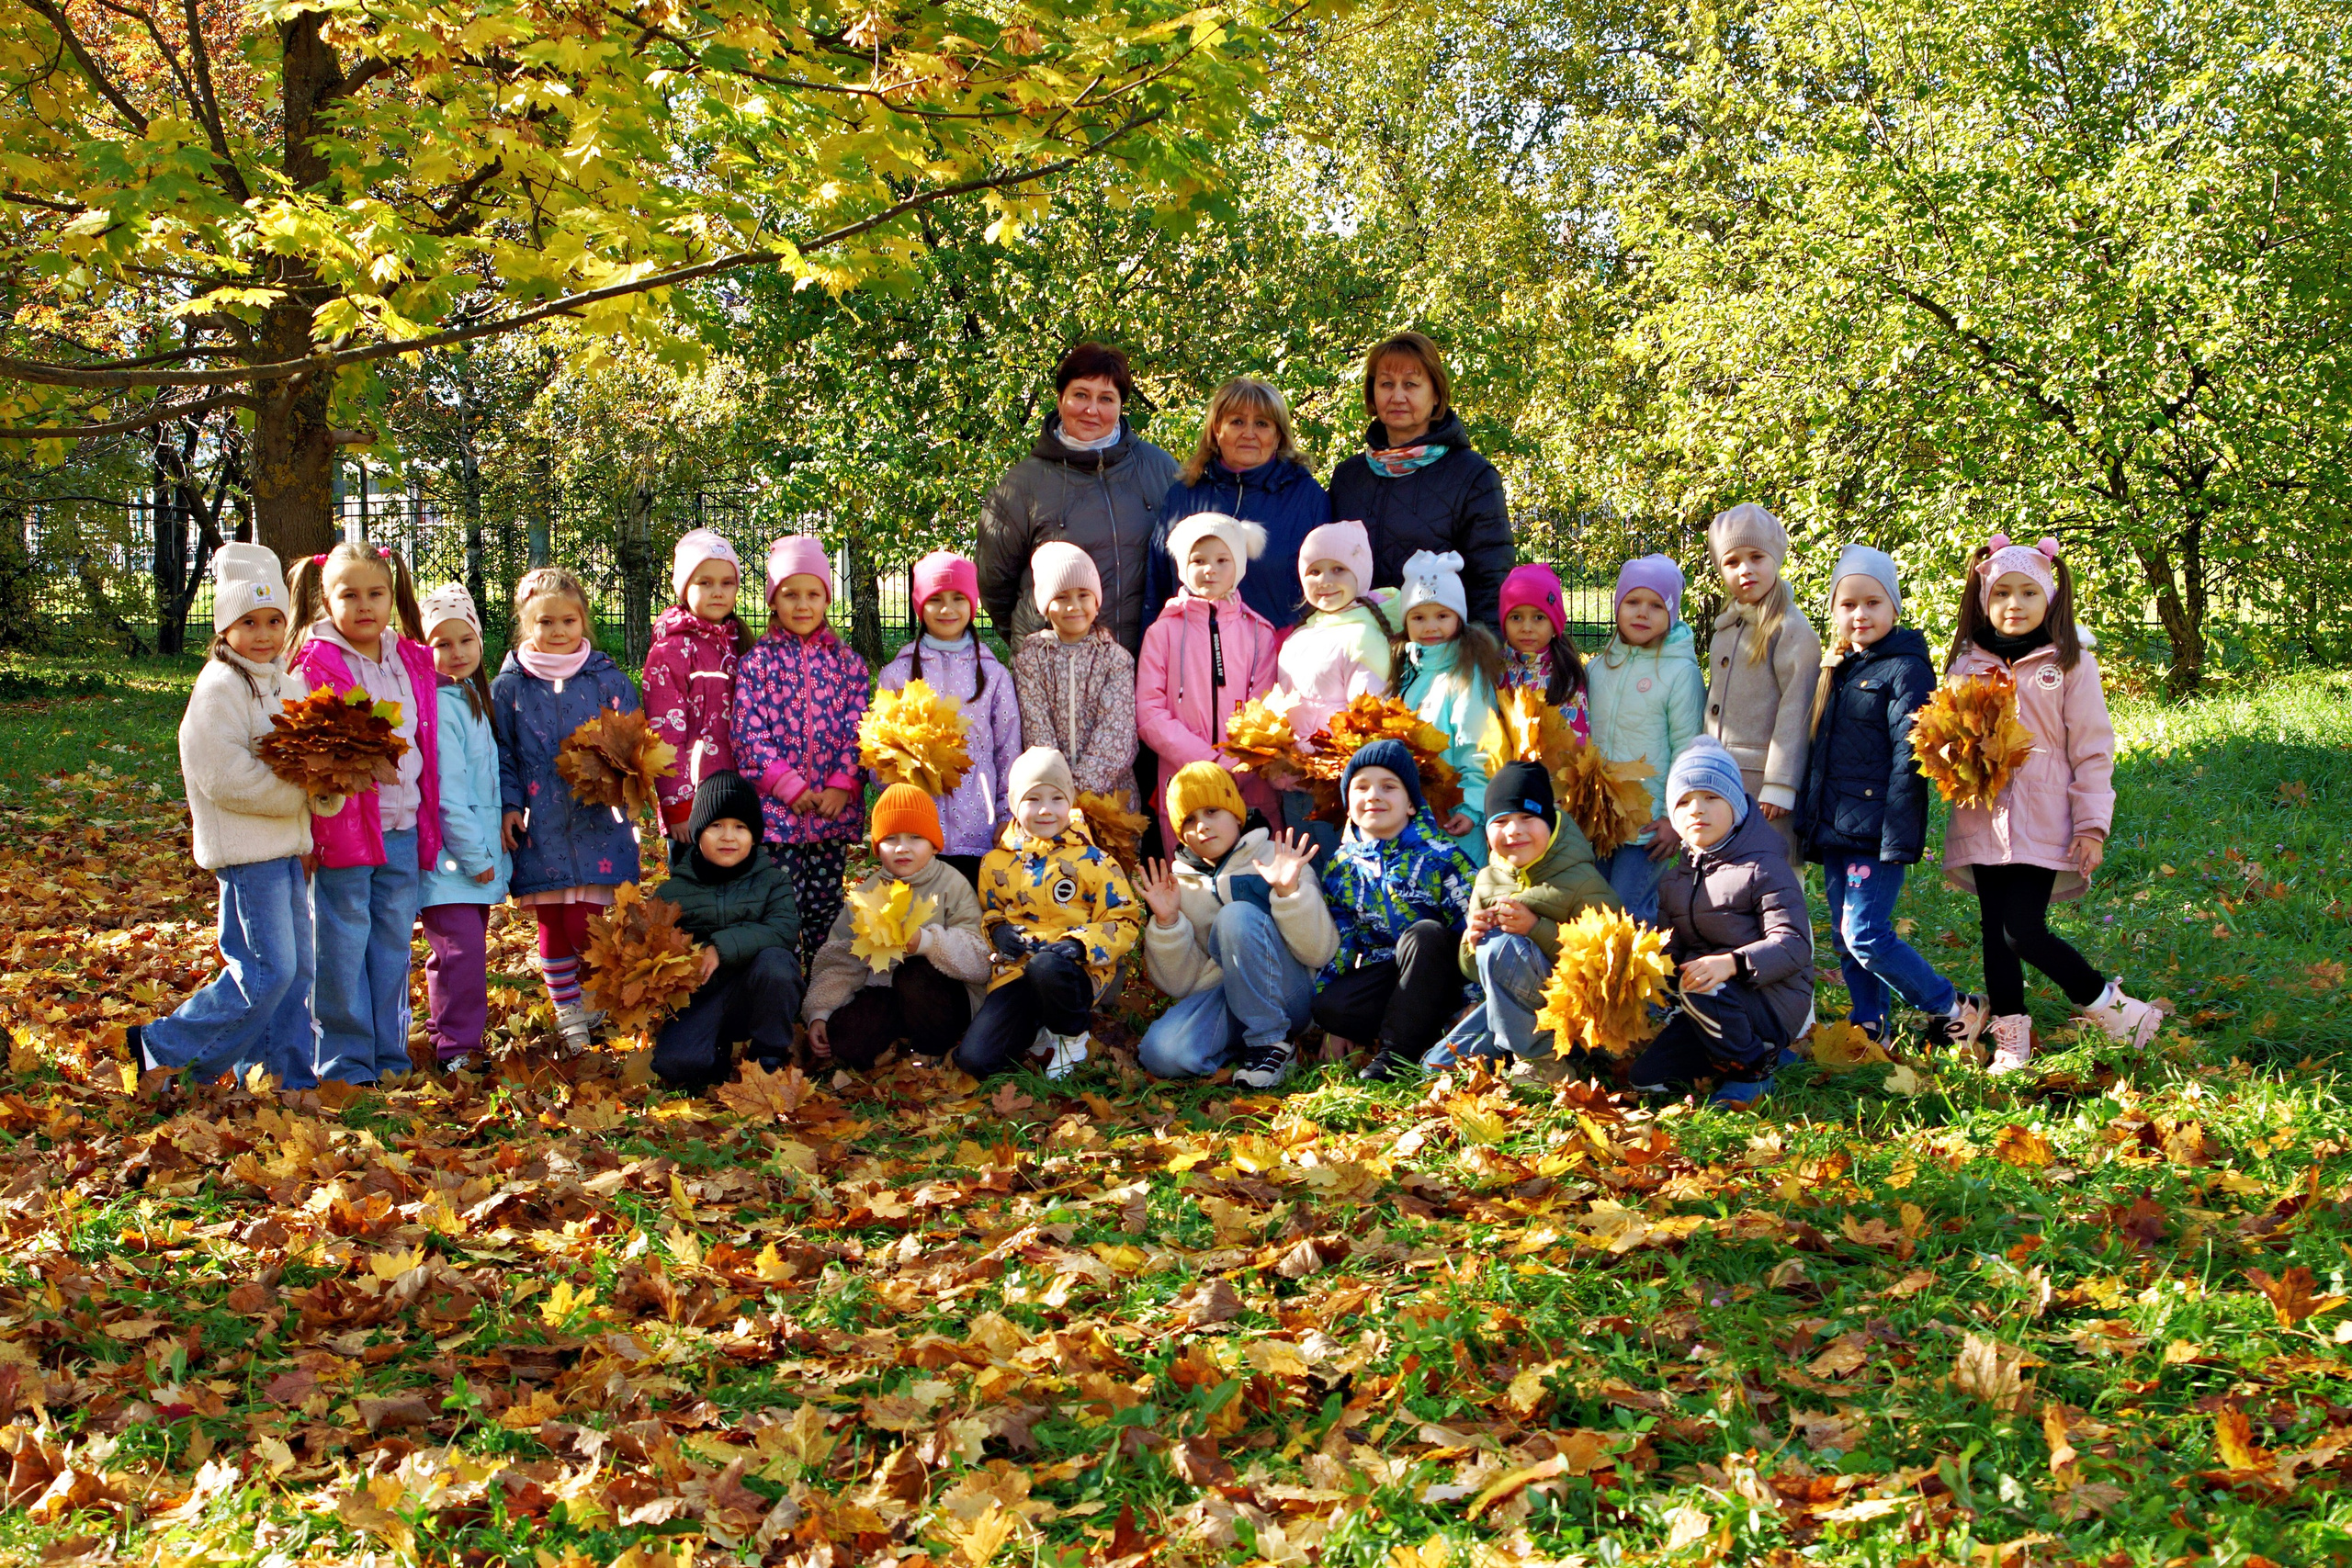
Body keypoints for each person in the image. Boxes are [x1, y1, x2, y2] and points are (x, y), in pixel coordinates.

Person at [1941, 535, 2161, 1073]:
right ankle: (2012, 1040)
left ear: (2050, 599)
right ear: (1984, 599)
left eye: (2027, 593)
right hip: (1983, 816)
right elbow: (1948, 735)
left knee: (2023, 929)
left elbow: (2092, 748)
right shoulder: (1967, 660)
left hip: (2046, 818)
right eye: (2001, 595)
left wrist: (2092, 826)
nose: (2013, 605)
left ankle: (2111, 1007)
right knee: (1995, 931)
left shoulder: (2067, 662)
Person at [128, 544, 333, 1098]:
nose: (264, 634)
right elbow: (223, 775)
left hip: (287, 850)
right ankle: (165, 1050)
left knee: (296, 975)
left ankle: (282, 1077)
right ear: (224, 628)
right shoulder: (219, 687)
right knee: (265, 972)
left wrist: (330, 783)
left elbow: (307, 762)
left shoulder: (287, 685)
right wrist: (297, 795)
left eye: (274, 621)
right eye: (249, 622)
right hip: (246, 856)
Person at [1798, 547, 1986, 1053]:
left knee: (1864, 933)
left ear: (1894, 609)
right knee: (1844, 937)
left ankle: (1953, 1006)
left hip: (1876, 831)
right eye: (1848, 605)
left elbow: (1911, 760)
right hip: (1837, 827)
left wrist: (1898, 836)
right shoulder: (1837, 669)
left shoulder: (1905, 670)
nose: (1860, 615)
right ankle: (1869, 1022)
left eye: (1872, 603)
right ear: (1834, 612)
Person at [288, 541, 442, 1084]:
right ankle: (344, 1060)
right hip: (346, 829)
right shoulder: (315, 662)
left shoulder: (410, 658)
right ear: (326, 600)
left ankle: (389, 1053)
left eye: (375, 593)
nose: (364, 606)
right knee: (342, 940)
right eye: (348, 595)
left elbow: (424, 738)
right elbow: (305, 750)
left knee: (393, 941)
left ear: (392, 596)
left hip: (403, 824)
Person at [490, 566, 640, 1055]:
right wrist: (511, 804)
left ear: (583, 623)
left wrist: (626, 782)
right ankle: (569, 1012)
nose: (557, 632)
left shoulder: (606, 680)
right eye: (545, 623)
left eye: (568, 622)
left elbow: (634, 740)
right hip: (542, 822)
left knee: (593, 920)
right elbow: (503, 754)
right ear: (526, 626)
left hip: (600, 819)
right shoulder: (510, 687)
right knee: (556, 922)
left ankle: (594, 1001)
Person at [1630, 739, 1811, 1106]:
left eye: (1712, 797)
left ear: (1737, 805)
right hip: (1708, 1001)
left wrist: (1732, 963)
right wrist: (1641, 958)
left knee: (1701, 987)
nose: (1697, 810)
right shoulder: (1674, 879)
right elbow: (1672, 950)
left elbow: (1794, 944)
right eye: (1683, 801)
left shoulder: (1764, 865)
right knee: (1645, 1079)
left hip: (1771, 999)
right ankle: (1752, 1054)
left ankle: (1752, 1069)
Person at [1135, 762, 1336, 1089]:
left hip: (1289, 996)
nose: (1201, 827)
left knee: (1236, 915)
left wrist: (1289, 894)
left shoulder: (1276, 856)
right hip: (1227, 999)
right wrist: (1167, 922)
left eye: (1212, 811)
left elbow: (1319, 952)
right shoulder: (1179, 886)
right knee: (1162, 1053)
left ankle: (1271, 1042)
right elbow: (1180, 985)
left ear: (1237, 813)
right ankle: (1252, 1051)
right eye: (1188, 819)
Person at [977, 342, 1180, 656]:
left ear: (1121, 406)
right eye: (1081, 395)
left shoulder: (1161, 470)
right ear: (1060, 400)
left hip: (1147, 668)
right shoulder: (1021, 486)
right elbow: (995, 588)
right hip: (1053, 672)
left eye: (1106, 398)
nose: (1092, 410)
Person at [731, 536, 871, 975]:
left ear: (827, 598)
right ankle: (785, 992)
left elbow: (862, 729)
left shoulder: (848, 664)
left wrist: (843, 784)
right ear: (773, 600)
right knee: (784, 908)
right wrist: (787, 786)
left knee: (826, 908)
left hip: (830, 815)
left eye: (813, 594)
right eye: (790, 594)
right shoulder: (757, 663)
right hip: (777, 815)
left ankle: (825, 990)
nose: (803, 604)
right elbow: (747, 732)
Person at [1424, 761, 1618, 1071]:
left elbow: (1605, 962)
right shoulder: (1488, 879)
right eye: (1501, 821)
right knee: (1438, 1065)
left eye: (1527, 817)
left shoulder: (1581, 878)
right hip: (1511, 1007)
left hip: (1571, 1010)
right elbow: (1477, 972)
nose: (1514, 830)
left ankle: (1543, 1063)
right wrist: (1471, 943)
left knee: (1500, 946)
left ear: (1551, 821)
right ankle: (1517, 1049)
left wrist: (1536, 928)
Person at [964, 748, 1142, 1080]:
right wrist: (998, 930)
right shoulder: (995, 862)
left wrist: (1080, 944)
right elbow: (990, 913)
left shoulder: (1095, 861)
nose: (1046, 810)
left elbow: (1124, 921)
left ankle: (1072, 1035)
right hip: (1015, 973)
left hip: (1072, 972)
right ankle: (1036, 1029)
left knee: (1045, 967)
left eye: (1057, 798)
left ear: (1069, 802)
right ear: (1016, 805)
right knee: (975, 1060)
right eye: (1033, 799)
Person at [1313, 739, 1478, 1080]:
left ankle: (1396, 1055)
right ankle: (1410, 1030)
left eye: (1388, 787)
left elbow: (1473, 931)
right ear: (1348, 805)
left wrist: (1472, 999)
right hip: (1388, 973)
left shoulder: (1442, 857)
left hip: (1440, 971)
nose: (1374, 795)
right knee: (1331, 1007)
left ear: (1411, 806)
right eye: (1361, 787)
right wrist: (1335, 1021)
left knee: (1424, 933)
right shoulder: (1341, 867)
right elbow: (1345, 941)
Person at [1324, 332, 1511, 626]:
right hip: (1357, 650)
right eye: (1386, 383)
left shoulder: (1473, 477)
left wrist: (1478, 659)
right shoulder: (1348, 478)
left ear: (1436, 394)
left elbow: (1490, 585)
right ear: (1372, 393)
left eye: (1411, 384)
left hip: (1439, 655)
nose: (1397, 396)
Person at [803, 784, 990, 1068]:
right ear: (878, 846)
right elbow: (839, 958)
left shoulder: (952, 884)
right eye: (891, 838)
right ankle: (890, 1039)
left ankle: (930, 1050)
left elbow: (980, 959)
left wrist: (927, 943)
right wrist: (821, 1010)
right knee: (843, 1041)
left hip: (942, 995)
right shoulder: (866, 894)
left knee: (913, 975)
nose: (902, 847)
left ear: (934, 843)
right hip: (885, 992)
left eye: (915, 837)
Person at [1135, 513, 1280, 847]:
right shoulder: (1163, 632)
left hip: (1247, 782)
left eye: (1222, 560)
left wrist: (1237, 763)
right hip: (1185, 779)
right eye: (1198, 560)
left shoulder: (1259, 632)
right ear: (1183, 567)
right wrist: (1208, 761)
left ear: (1239, 565)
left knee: (1252, 879)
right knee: (1192, 884)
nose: (1210, 569)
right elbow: (1150, 712)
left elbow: (1265, 711)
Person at [649, 773, 803, 1089]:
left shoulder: (772, 880)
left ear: (755, 835)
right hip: (700, 998)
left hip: (756, 990)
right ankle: (712, 1053)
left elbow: (784, 930)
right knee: (676, 1067)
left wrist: (720, 947)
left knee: (777, 963)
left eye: (740, 827)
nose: (728, 837)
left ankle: (769, 1057)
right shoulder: (672, 892)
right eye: (716, 826)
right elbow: (655, 949)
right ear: (697, 832)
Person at [877, 550, 1021, 884]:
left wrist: (1005, 815)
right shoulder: (896, 675)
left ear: (972, 604)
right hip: (915, 831)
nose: (947, 608)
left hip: (979, 830)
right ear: (919, 605)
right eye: (935, 599)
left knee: (971, 919)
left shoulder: (994, 675)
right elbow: (879, 754)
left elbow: (1009, 750)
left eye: (958, 598)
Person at [417, 582, 510, 1072]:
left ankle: (446, 1034)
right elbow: (448, 795)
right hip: (451, 862)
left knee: (459, 955)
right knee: (462, 955)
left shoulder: (472, 696)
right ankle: (457, 1049)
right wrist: (477, 858)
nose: (456, 653)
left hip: (472, 858)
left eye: (465, 640)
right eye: (442, 643)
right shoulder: (439, 708)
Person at [1151, 377, 1327, 630]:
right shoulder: (1184, 496)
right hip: (1193, 657)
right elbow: (1157, 584)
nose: (1249, 433)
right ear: (1216, 430)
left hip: (1281, 656)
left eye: (1262, 423)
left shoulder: (1307, 498)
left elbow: (1329, 587)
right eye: (1237, 422)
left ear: (1278, 436)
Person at [1263, 520, 1395, 857]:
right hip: (1295, 783)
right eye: (1314, 571)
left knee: (1337, 873)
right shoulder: (1300, 634)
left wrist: (1337, 770)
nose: (1325, 581)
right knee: (1304, 874)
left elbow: (1368, 719)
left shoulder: (1364, 636)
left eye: (1338, 569)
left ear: (1360, 573)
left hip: (1337, 787)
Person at [1585, 555, 1704, 921]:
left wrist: (1674, 818)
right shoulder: (1598, 667)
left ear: (1672, 613)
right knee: (1595, 905)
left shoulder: (1681, 673)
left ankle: (1642, 978)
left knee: (1628, 908)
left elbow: (1688, 748)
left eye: (1656, 605)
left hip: (1650, 823)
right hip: (1600, 817)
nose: (1642, 613)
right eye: (1632, 602)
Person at [1702, 502, 1823, 864]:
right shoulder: (1726, 627)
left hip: (1764, 787)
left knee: (1772, 871)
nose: (1745, 570)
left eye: (1757, 557)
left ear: (1776, 559)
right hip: (1722, 777)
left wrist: (1782, 783)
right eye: (1732, 562)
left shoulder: (1790, 629)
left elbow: (1797, 706)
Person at [1395, 549, 1504, 867]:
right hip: (1414, 813)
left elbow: (1479, 746)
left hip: (1457, 815)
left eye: (1442, 616)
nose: (1430, 627)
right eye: (1418, 617)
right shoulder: (1405, 673)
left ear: (1459, 618)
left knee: (1462, 896)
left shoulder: (1466, 676)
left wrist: (1472, 807)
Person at [642, 528, 751, 840]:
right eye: (705, 582)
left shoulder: (740, 646)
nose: (718, 592)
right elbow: (664, 735)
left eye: (726, 583)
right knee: (695, 888)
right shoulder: (670, 652)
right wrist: (678, 807)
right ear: (683, 587)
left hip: (741, 800)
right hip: (693, 807)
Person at [1011, 542, 1138, 806]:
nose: (1074, 606)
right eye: (1062, 597)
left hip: (1111, 798)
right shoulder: (1031, 660)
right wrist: (1058, 790)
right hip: (1049, 801)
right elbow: (1037, 731)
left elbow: (1118, 734)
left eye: (1083, 595)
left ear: (1096, 602)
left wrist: (1078, 790)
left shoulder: (1115, 659)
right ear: (1045, 605)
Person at [1498, 562, 1589, 738]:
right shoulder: (1495, 670)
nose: (1526, 627)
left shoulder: (1566, 673)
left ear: (1555, 626)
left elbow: (1578, 738)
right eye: (1516, 617)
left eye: (1538, 617)